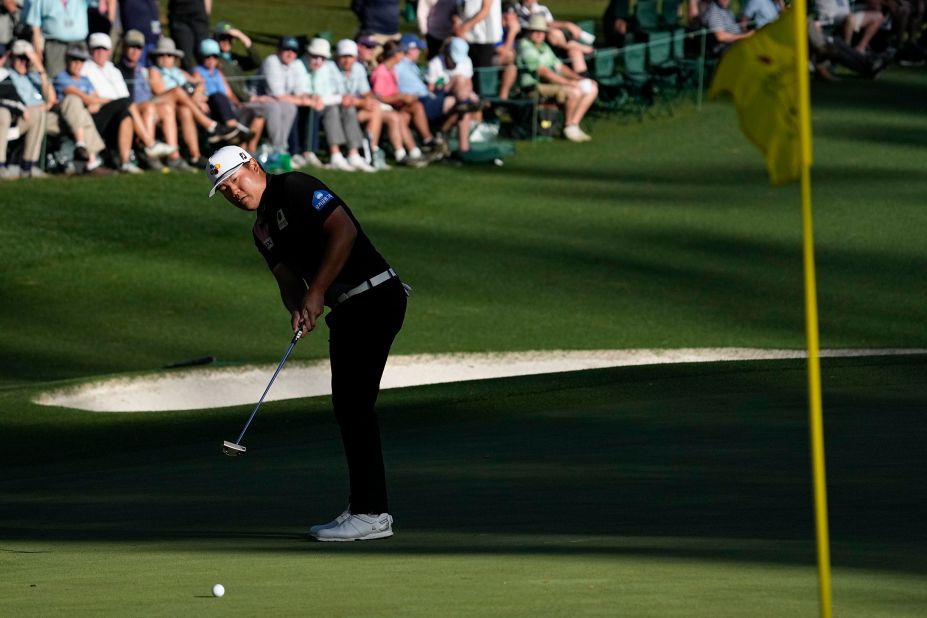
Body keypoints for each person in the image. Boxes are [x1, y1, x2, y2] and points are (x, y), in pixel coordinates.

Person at [206, 144, 409, 542]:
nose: (233, 192)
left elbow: (344, 231)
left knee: (353, 406)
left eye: (233, 180)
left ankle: (372, 513)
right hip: (349, 309)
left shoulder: (295, 187)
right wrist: (299, 307)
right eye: (224, 190)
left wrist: (316, 292)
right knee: (349, 406)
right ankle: (365, 507)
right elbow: (287, 283)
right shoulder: (261, 231)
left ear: (254, 166)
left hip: (376, 295)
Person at [82, 32, 176, 172]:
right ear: (90, 50)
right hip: (99, 113)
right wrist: (103, 101)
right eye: (97, 49)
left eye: (104, 49)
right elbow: (87, 97)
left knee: (127, 113)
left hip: (119, 109)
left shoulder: (113, 70)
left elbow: (124, 96)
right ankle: (150, 145)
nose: (101, 52)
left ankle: (125, 163)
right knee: (127, 104)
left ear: (109, 51)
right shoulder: (85, 69)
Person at [517, 15, 597, 142]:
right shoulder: (524, 45)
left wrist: (578, 79)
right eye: (536, 31)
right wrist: (568, 83)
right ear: (529, 32)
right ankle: (568, 126)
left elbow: (559, 67)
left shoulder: (544, 46)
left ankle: (573, 124)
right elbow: (543, 72)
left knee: (592, 88)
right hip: (533, 86)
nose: (539, 35)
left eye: (542, 32)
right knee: (574, 92)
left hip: (550, 83)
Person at [303, 37, 376, 172]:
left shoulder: (358, 68)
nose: (347, 60)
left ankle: (354, 154)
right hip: (327, 104)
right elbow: (326, 93)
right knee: (335, 110)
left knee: (351, 109)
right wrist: (352, 100)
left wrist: (364, 101)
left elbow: (366, 93)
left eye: (350, 57)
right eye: (344, 57)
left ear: (355, 58)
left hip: (345, 105)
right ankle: (335, 154)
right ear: (337, 57)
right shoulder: (329, 67)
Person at [0, 38, 48, 179]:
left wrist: (39, 66)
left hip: (24, 117)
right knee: (3, 114)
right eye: (19, 58)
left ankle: (28, 166)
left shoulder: (33, 77)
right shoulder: (7, 75)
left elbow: (51, 99)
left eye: (26, 58)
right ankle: (1, 166)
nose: (22, 61)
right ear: (10, 57)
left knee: (40, 113)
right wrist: (22, 109)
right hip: (12, 117)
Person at [24, 0, 89, 77]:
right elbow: (35, 27)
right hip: (54, 46)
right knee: (54, 77)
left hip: (79, 44)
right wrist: (37, 50)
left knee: (80, 78)